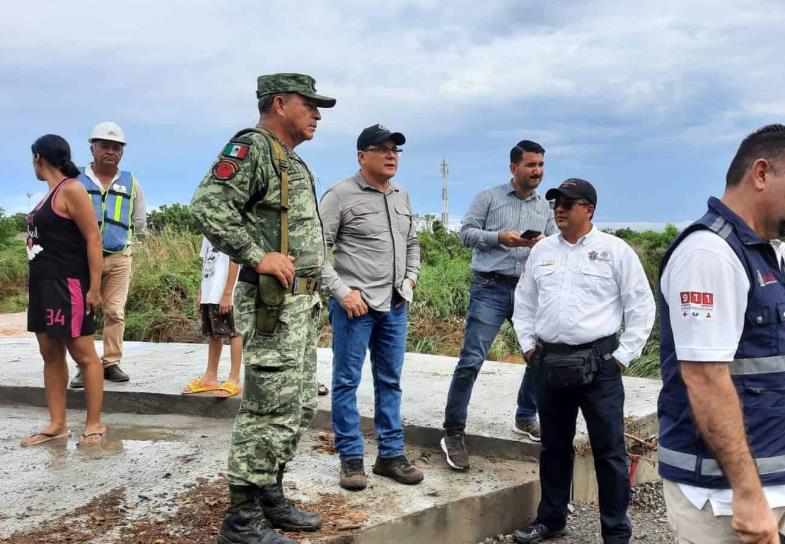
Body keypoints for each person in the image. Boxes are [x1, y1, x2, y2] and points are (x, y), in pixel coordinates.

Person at [656, 124, 785, 544]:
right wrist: (747, 492)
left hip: (757, 481)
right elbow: (704, 378)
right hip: (722, 493)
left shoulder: (763, 252)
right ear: (761, 174)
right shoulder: (710, 254)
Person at [189, 73, 338, 544]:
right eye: (309, 104)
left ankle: (268, 493)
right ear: (278, 103)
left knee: (293, 407)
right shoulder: (253, 148)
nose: (317, 114)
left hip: (300, 307)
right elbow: (207, 205)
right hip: (274, 308)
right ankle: (240, 519)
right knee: (266, 409)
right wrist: (257, 255)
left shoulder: (287, 160)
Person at [511, 178, 655, 544]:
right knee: (554, 448)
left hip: (599, 367)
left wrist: (622, 358)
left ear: (588, 209)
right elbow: (524, 303)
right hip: (550, 364)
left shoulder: (615, 251)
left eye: (568, 203)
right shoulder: (542, 252)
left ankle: (616, 531)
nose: (559, 208)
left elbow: (641, 306)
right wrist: (529, 347)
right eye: (556, 202)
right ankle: (551, 520)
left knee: (609, 452)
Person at [440, 139, 557, 471]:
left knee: (539, 355)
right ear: (514, 168)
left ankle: (525, 416)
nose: (537, 171)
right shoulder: (489, 197)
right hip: (489, 287)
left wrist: (541, 242)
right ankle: (453, 432)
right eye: (531, 165)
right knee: (471, 361)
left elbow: (554, 244)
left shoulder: (544, 208)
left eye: (541, 165)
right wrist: (498, 238)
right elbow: (465, 233)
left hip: (526, 290)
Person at [319, 124, 423, 491]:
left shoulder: (401, 195)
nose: (391, 155)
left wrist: (410, 279)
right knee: (346, 382)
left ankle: (391, 456)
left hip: (395, 305)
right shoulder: (339, 195)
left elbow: (412, 242)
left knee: (390, 381)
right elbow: (315, 252)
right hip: (355, 309)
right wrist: (342, 292)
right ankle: (351, 459)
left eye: (395, 149)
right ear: (362, 156)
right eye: (381, 149)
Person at [20, 134, 105, 447]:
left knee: (84, 354)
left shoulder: (72, 188)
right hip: (42, 286)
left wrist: (94, 287)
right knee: (50, 354)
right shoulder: (46, 196)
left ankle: (94, 423)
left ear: (39, 157)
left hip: (68, 285)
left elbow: (93, 240)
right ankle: (57, 424)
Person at [69, 121, 147, 388]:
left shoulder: (131, 182)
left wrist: (128, 249)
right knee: (83, 311)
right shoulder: (76, 179)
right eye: (104, 146)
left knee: (115, 311)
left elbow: (139, 221)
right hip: (81, 257)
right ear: (92, 148)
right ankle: (84, 365)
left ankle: (111, 362)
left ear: (122, 152)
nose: (110, 151)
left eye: (116, 147)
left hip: (118, 257)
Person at [182, 236, 242, 398]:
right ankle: (210, 376)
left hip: (227, 291)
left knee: (235, 332)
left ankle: (234, 378)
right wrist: (201, 293)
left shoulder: (231, 227)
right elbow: (206, 262)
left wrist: (228, 293)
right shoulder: (208, 231)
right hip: (210, 290)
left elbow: (236, 260)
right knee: (214, 334)